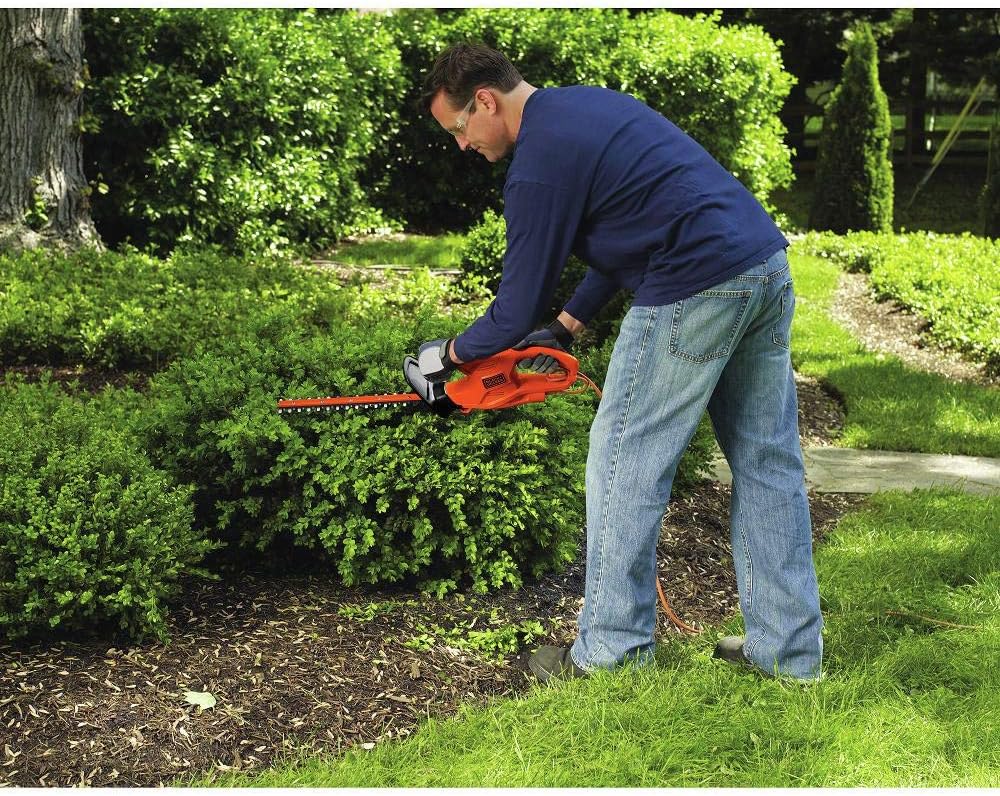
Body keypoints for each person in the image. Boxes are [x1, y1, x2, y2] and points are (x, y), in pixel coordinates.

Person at [414, 43, 823, 683]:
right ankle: (789, 655)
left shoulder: (536, 168)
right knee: (767, 460)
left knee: (621, 461)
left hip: (697, 286)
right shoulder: (585, 108)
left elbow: (514, 309)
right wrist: (571, 323)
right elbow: (633, 223)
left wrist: (448, 355)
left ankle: (609, 653)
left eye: (460, 129)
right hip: (762, 267)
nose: (463, 145)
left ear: (485, 102)